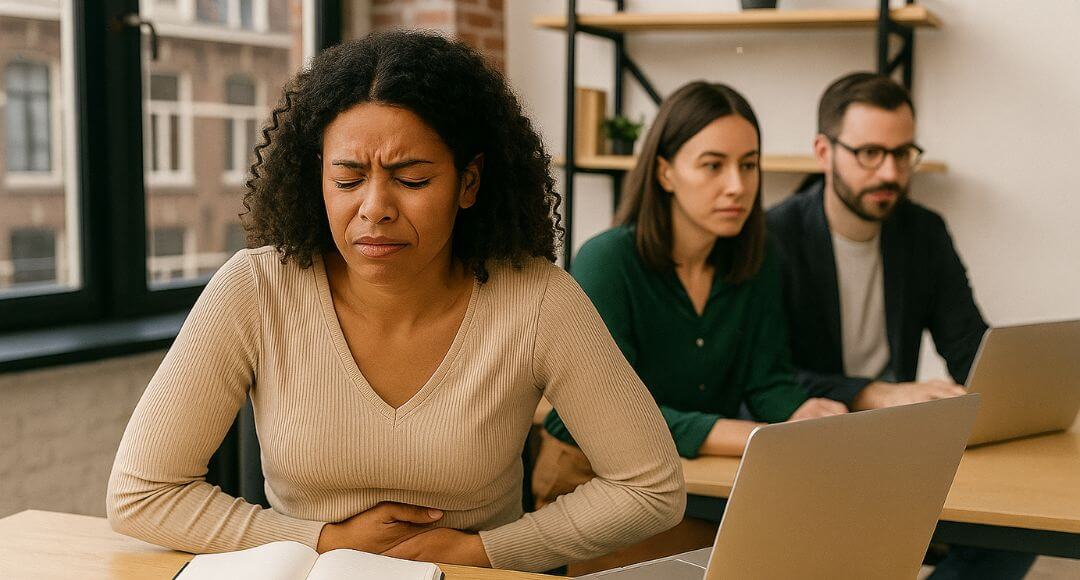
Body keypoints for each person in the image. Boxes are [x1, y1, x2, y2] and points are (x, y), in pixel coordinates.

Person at [106, 30, 683, 574]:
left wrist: (486, 550)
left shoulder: (538, 300)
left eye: (410, 179)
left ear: (469, 183)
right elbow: (140, 493)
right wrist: (324, 540)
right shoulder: (256, 289)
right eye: (349, 179)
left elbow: (651, 487)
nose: (374, 208)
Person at [534, 81, 846, 572]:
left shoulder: (758, 262)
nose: (737, 186)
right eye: (713, 165)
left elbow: (769, 383)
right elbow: (606, 418)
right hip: (596, 485)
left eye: (748, 165)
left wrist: (805, 413)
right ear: (665, 172)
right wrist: (753, 436)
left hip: (703, 484)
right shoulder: (608, 261)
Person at [767, 72, 1035, 579]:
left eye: (902, 153)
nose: (889, 172)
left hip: (901, 448)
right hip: (810, 445)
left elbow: (968, 349)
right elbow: (767, 379)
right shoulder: (773, 238)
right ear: (824, 151)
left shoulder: (923, 233)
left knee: (1016, 530)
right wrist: (875, 394)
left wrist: (1012, 387)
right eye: (869, 153)